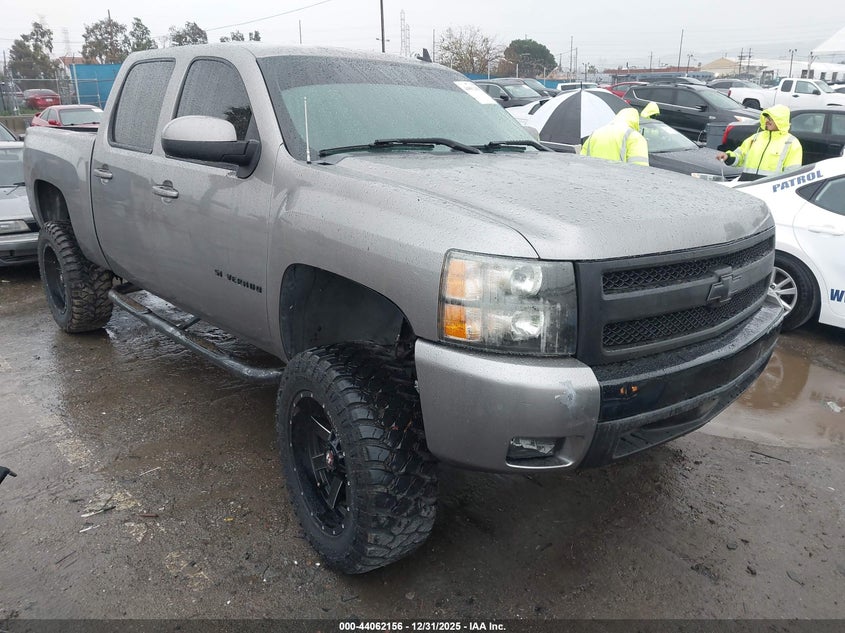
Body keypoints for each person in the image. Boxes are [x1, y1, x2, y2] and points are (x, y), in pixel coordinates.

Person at [716, 104, 802, 181]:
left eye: (771, 119)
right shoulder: (756, 137)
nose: (767, 121)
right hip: (746, 184)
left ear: (780, 121)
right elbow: (740, 156)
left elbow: (791, 173)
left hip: (768, 189)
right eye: (767, 118)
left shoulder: (792, 143)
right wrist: (728, 157)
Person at [580, 107, 649, 166]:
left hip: (592, 179)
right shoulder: (635, 137)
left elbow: (581, 160)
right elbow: (640, 169)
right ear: (636, 122)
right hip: (619, 180)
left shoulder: (595, 133)